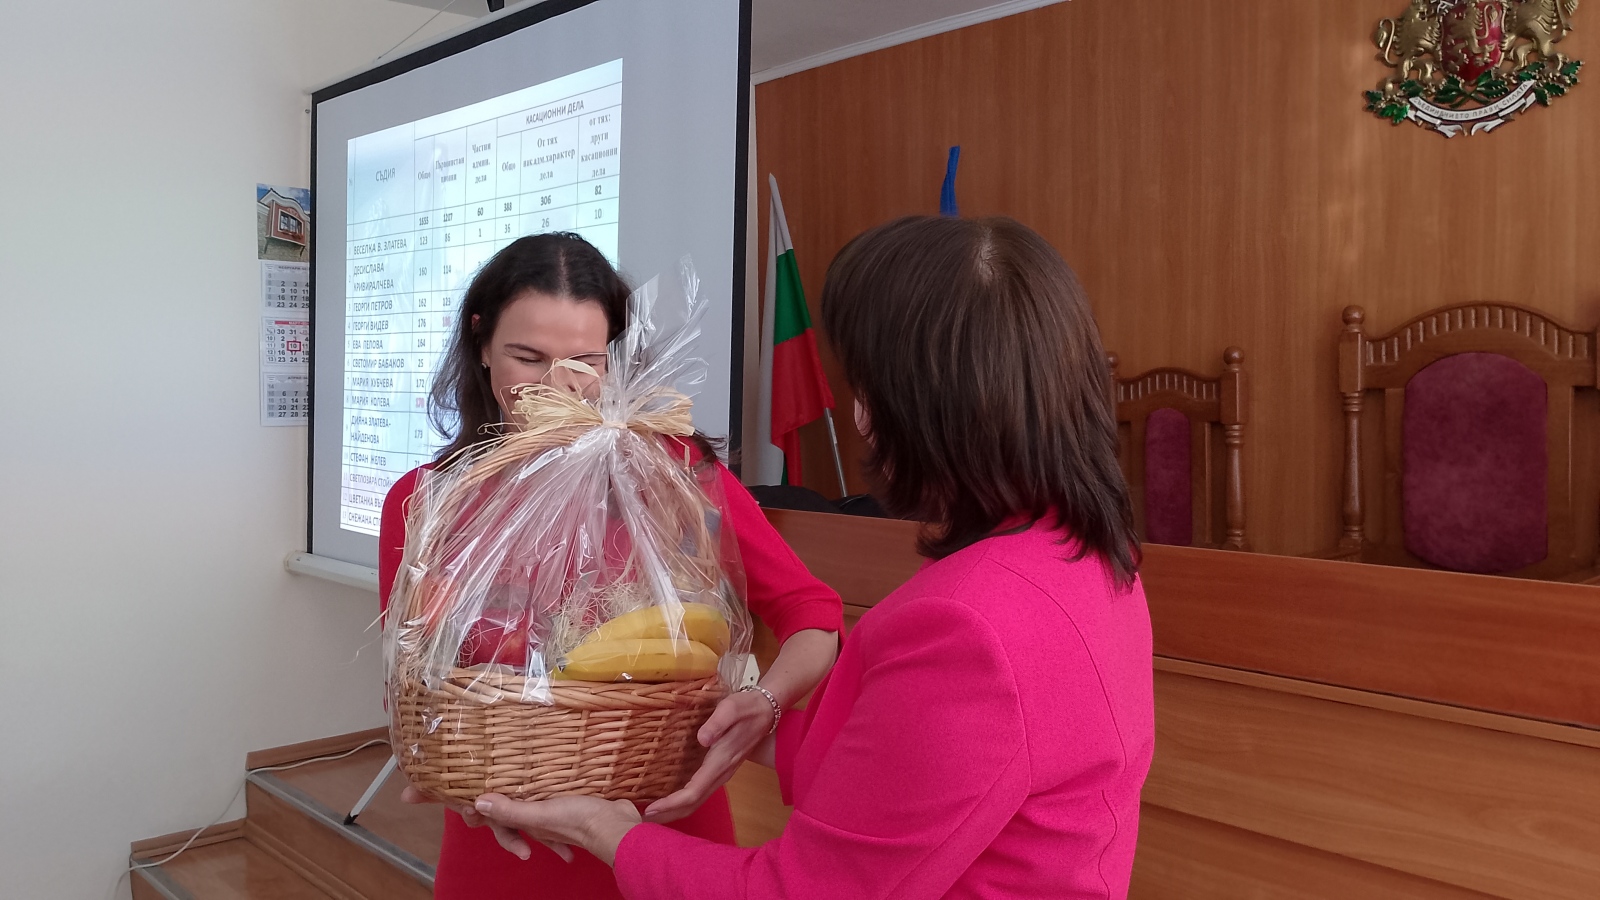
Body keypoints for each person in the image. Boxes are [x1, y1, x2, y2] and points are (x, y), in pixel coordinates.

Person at [470, 216, 1156, 899]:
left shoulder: (966, 626)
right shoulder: (1090, 557)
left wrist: (609, 832)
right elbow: (919, 770)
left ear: (932, 406)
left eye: (867, 388)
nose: (860, 418)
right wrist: (752, 726)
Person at [377, 232, 844, 900]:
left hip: (663, 840)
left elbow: (814, 615)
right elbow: (412, 683)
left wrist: (762, 704)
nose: (559, 385)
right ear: (480, 344)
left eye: (586, 362)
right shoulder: (428, 501)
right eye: (527, 358)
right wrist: (441, 778)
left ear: (616, 359)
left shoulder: (677, 476)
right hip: (500, 852)